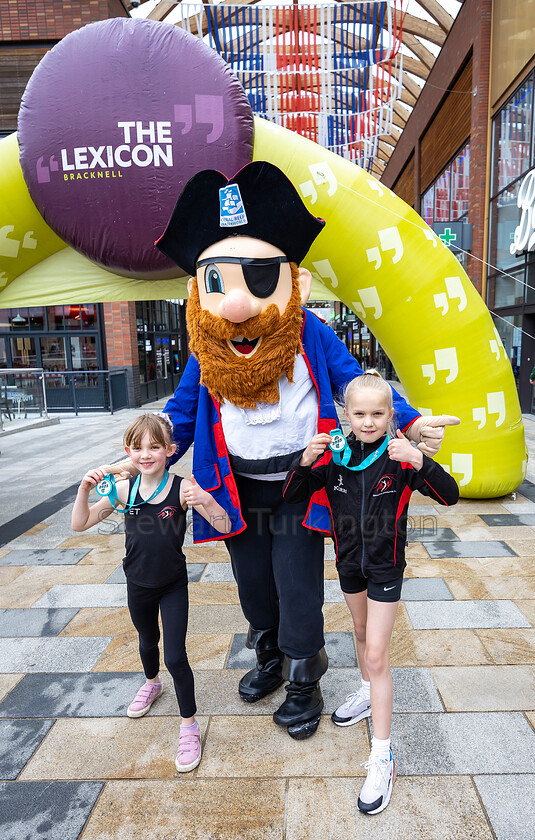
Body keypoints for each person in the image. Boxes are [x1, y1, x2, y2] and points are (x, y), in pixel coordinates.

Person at [101, 161, 459, 740]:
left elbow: (355, 385)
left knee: (296, 584)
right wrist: (142, 451)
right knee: (252, 584)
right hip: (235, 487)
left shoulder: (310, 333)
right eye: (218, 283)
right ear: (198, 291)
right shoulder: (207, 350)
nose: (238, 306)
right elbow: (182, 415)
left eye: (261, 277)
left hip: (300, 483)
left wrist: (411, 425)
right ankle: (269, 656)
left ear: (297, 283)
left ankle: (303, 677)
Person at [283, 371, 459, 813]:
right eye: (358, 413)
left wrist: (421, 462)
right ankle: (365, 691)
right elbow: (292, 496)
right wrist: (305, 461)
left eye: (377, 414)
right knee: (360, 633)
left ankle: (382, 755)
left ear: (390, 415)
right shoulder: (336, 456)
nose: (367, 422)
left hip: (385, 567)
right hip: (348, 564)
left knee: (378, 654)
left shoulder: (400, 456)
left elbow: (450, 496)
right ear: (346, 413)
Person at [71, 412, 230, 772]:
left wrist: (204, 499)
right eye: (139, 447)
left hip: (173, 585)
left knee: (175, 656)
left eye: (155, 447)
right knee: (146, 641)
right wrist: (83, 490)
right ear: (128, 450)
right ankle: (151, 683)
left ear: (170, 450)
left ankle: (189, 726)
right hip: (137, 583)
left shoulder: (180, 489)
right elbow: (79, 524)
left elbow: (225, 523)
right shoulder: (123, 489)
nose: (146, 454)